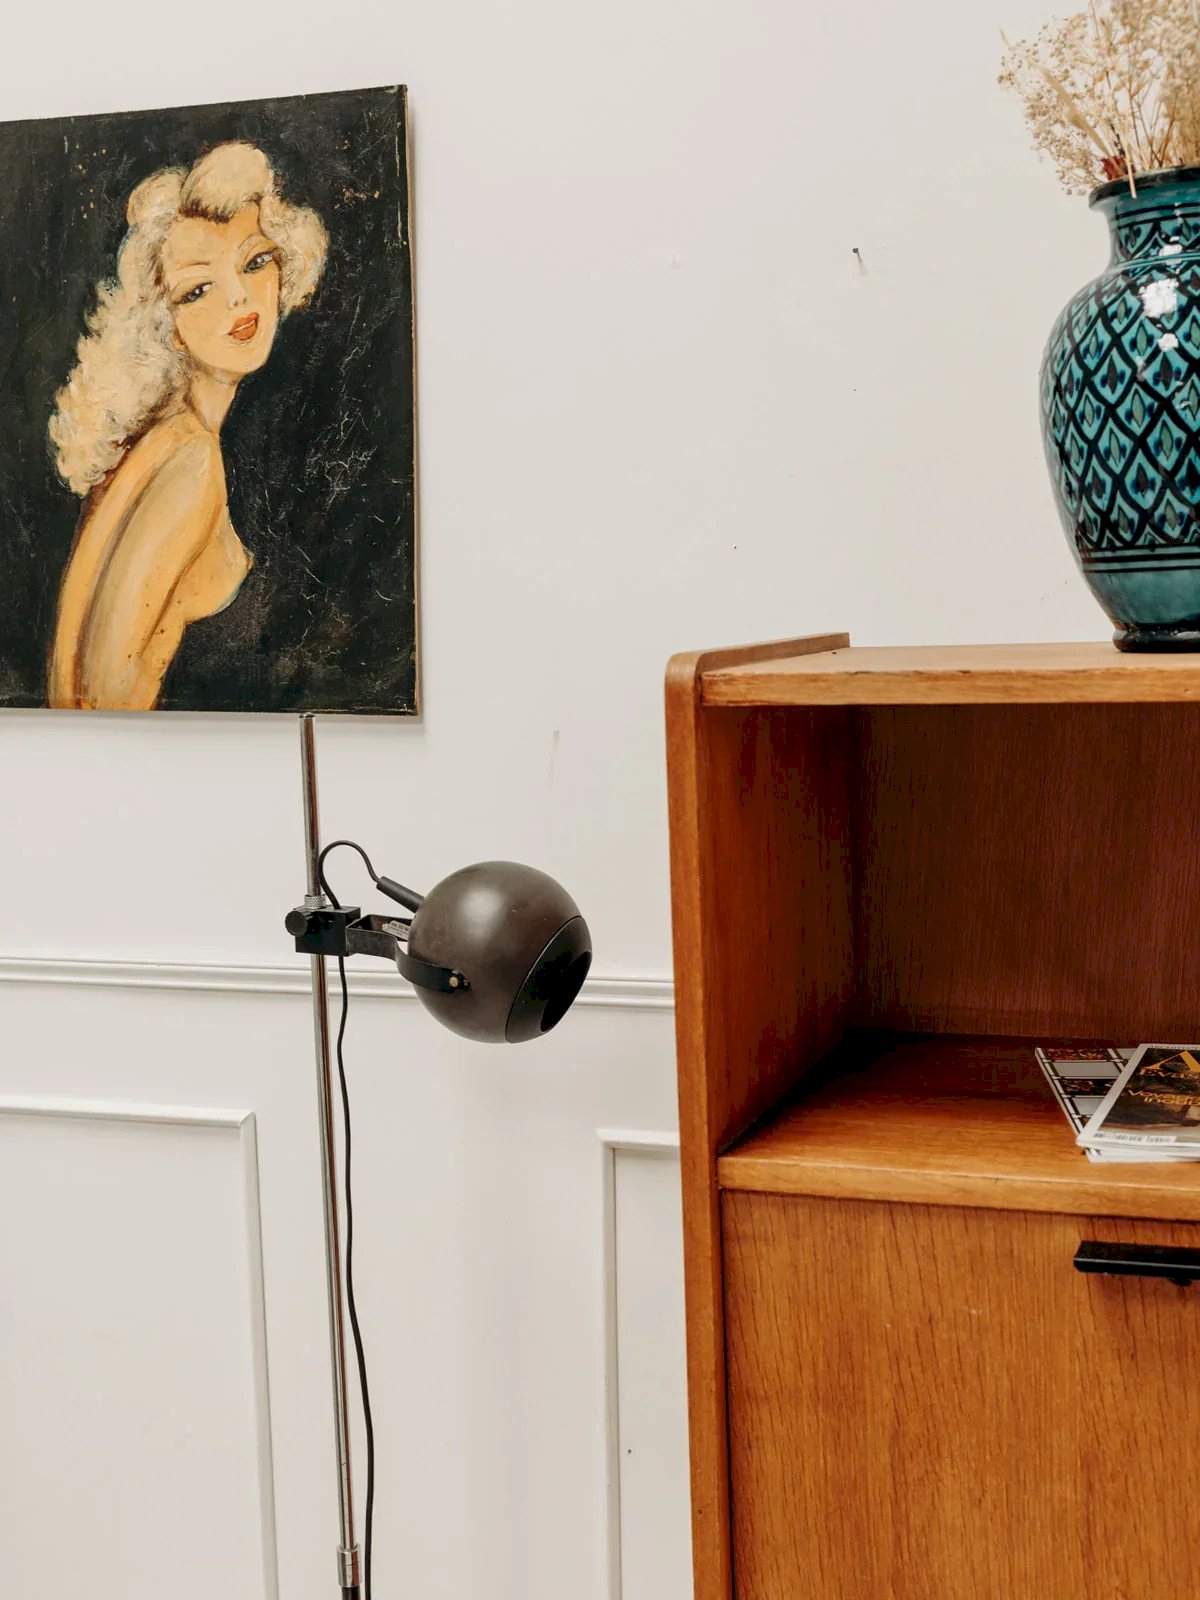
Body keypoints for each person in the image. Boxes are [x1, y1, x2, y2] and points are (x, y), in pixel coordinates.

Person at [47, 141, 327, 710]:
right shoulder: (189, 459)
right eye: (198, 290)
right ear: (166, 324)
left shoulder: (163, 444)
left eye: (255, 261)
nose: (239, 297)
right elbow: (101, 701)